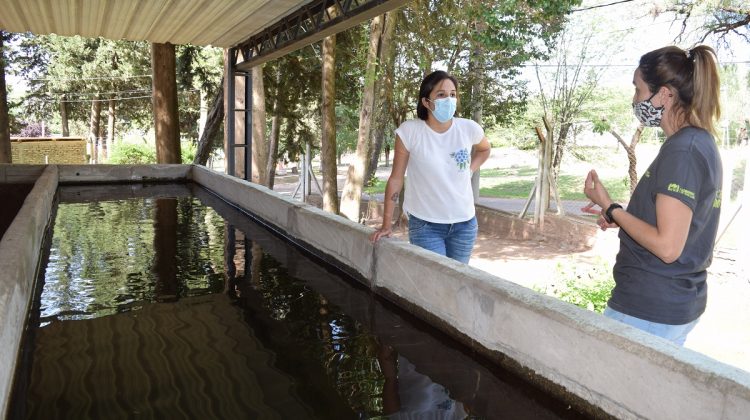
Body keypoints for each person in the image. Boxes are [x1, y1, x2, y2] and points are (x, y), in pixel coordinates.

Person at [582, 45, 722, 346]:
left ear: (664, 95)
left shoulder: (683, 151)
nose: (635, 99)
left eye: (638, 89)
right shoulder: (697, 142)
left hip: (648, 309)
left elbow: (668, 246)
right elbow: (679, 226)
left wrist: (611, 207)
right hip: (669, 304)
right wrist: (620, 216)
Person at [369, 70, 491, 263]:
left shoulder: (469, 128)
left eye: (452, 94)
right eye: (441, 95)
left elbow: (484, 150)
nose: (449, 100)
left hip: (465, 224)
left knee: (457, 281)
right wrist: (386, 224)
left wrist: (470, 169)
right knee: (434, 283)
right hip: (426, 225)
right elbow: (396, 178)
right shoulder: (409, 131)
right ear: (426, 102)